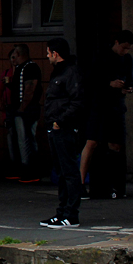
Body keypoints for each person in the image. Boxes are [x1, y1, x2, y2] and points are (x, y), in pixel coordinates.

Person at [80, 30, 133, 199]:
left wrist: (128, 88)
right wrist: (109, 83)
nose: (125, 51)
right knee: (92, 142)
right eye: (123, 47)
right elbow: (89, 80)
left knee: (116, 145)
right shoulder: (102, 56)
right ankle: (80, 183)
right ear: (116, 42)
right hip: (99, 104)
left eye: (128, 49)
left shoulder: (127, 59)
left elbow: (131, 79)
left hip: (116, 105)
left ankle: (115, 185)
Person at [41, 37, 85, 228]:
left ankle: (71, 215)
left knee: (69, 172)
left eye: (48, 52)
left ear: (55, 53)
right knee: (61, 172)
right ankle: (62, 213)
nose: (47, 56)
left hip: (64, 128)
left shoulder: (70, 72)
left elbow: (77, 102)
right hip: (55, 127)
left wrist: (60, 121)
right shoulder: (60, 72)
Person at [5, 44, 42, 183]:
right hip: (20, 109)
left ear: (19, 53)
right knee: (21, 138)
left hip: (26, 110)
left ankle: (30, 169)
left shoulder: (30, 67)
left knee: (26, 139)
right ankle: (23, 167)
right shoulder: (21, 68)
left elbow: (30, 89)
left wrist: (22, 107)